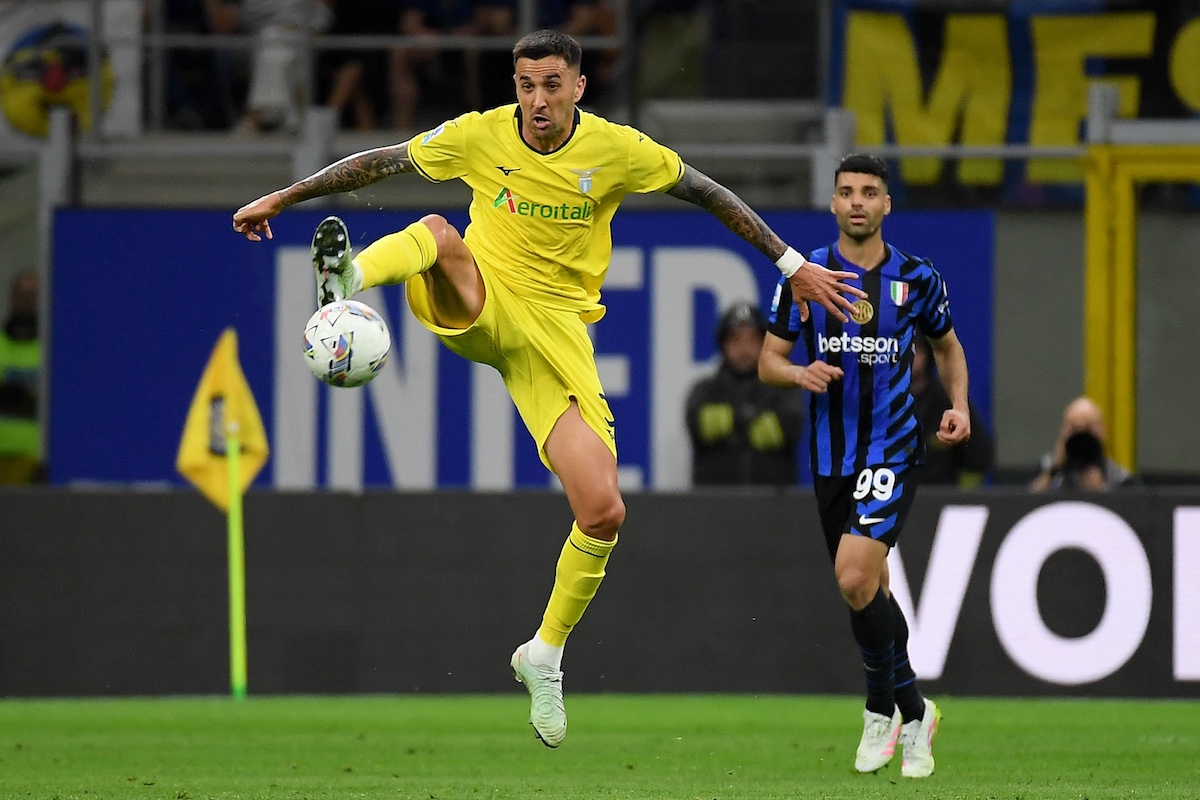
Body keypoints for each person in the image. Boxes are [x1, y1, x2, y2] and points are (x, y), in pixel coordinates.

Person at [232, 29, 864, 747]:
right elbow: (384, 161)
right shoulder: (480, 136)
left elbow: (705, 191)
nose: (537, 100)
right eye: (526, 85)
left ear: (578, 88)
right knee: (439, 230)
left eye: (552, 85)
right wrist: (284, 197)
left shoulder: (616, 149)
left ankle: (544, 653)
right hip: (481, 297)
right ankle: (350, 280)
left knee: (603, 510)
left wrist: (790, 265)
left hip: (556, 339)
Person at [759, 153, 971, 778]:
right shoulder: (804, 275)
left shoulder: (916, 277)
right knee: (868, 590)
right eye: (847, 191)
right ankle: (901, 710)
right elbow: (769, 360)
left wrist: (959, 406)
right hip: (830, 456)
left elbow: (948, 346)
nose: (857, 201)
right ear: (832, 203)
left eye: (869, 192)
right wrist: (799, 372)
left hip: (892, 446)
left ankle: (896, 709)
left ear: (886, 205)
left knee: (853, 578)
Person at [686, 301, 804, 486]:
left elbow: (789, 426)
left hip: (773, 502)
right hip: (715, 501)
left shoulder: (784, 388)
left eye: (752, 339)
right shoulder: (705, 391)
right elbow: (698, 424)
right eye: (736, 339)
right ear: (723, 344)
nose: (744, 348)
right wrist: (749, 419)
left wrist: (731, 424)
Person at [910, 332, 993, 488]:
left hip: (939, 494)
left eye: (916, 350)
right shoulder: (881, 400)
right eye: (905, 349)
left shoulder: (948, 401)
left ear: (928, 354)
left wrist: (958, 496)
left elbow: (979, 457)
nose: (911, 356)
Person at [1029, 395, 1134, 491]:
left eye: (1089, 428)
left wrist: (1100, 489)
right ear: (1063, 430)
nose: (1081, 436)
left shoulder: (1119, 478)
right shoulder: (1044, 469)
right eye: (1073, 428)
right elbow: (1028, 499)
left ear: (1102, 431)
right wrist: (1053, 470)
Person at [0, 271, 44, 484]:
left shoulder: (51, 348)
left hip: (35, 456)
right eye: (21, 294)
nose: (26, 300)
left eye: (32, 294)